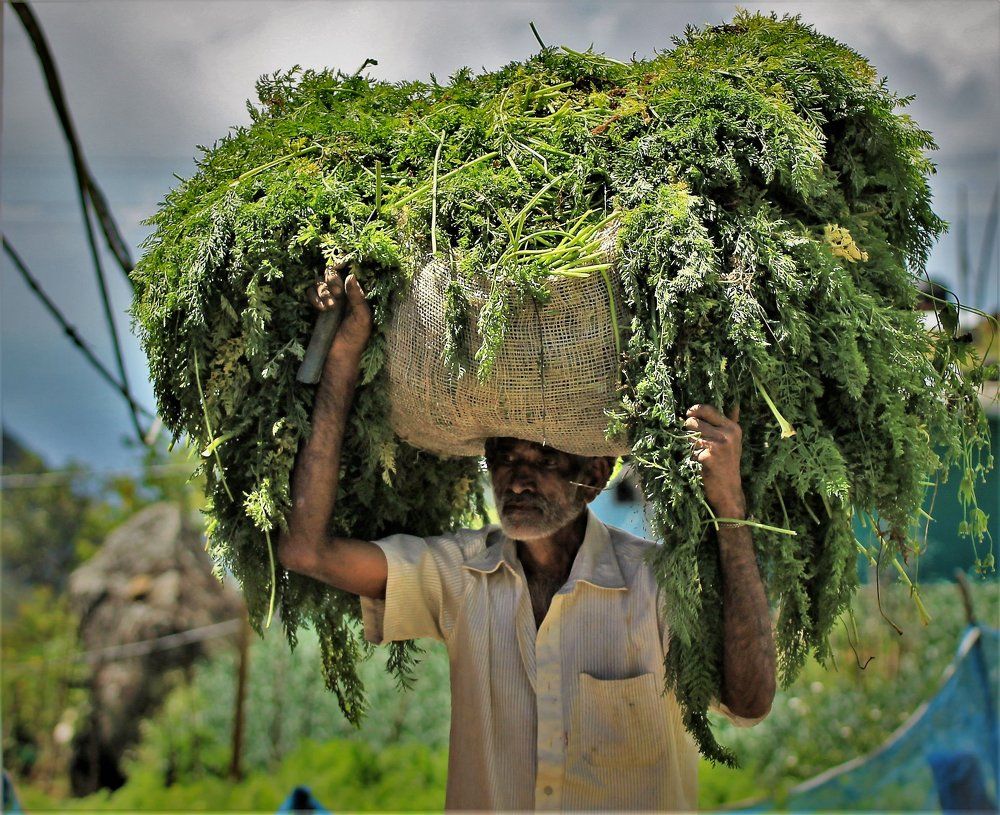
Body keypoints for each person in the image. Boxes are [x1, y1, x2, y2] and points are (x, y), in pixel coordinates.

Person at [279, 265, 776, 811]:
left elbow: (750, 702)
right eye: (504, 458)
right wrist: (343, 358)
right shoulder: (460, 576)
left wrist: (730, 506)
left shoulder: (657, 583)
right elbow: (306, 551)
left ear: (596, 476)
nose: (517, 480)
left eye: (544, 461)